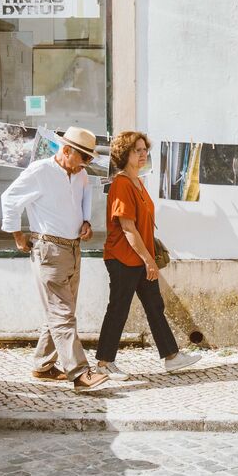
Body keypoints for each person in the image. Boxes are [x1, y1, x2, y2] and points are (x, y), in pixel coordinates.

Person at [1, 126, 109, 392]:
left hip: (73, 249)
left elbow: (84, 196)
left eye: (89, 158)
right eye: (83, 157)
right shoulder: (40, 171)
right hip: (48, 248)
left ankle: (43, 365)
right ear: (67, 150)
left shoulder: (80, 174)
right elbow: (10, 199)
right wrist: (18, 236)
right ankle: (80, 373)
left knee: (62, 311)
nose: (86, 163)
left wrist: (86, 221)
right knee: (62, 313)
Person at [95, 131, 201, 380]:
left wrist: (147, 257)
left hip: (140, 257)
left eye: (145, 150)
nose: (143, 154)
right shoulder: (122, 184)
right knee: (118, 309)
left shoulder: (138, 182)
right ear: (125, 154)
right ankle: (104, 363)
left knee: (155, 306)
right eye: (137, 150)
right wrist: (148, 260)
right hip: (123, 258)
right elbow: (127, 228)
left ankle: (172, 357)